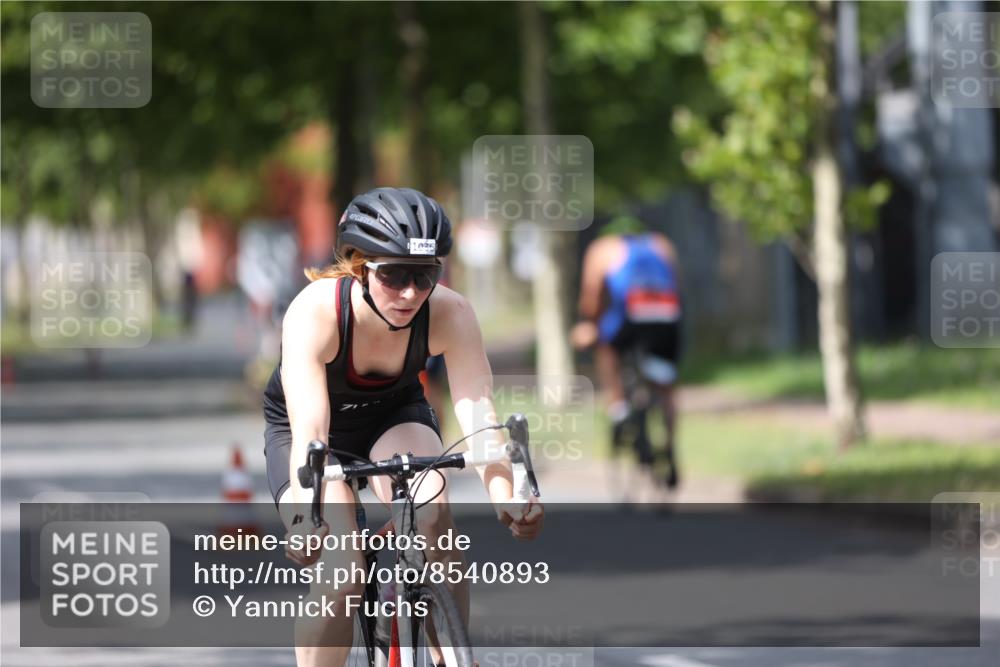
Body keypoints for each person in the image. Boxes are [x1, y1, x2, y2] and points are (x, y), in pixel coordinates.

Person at [262, 187, 544, 667]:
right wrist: (304, 518)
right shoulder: (316, 313)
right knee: (342, 571)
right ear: (358, 265)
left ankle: (452, 657)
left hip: (394, 414)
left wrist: (507, 495)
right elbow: (312, 429)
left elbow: (480, 417)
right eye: (393, 276)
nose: (411, 293)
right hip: (312, 434)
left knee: (433, 515)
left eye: (424, 275)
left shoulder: (450, 312)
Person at [571, 216, 683, 492]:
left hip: (630, 318)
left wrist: (589, 324)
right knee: (666, 385)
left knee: (605, 343)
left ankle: (619, 405)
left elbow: (592, 299)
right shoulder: (661, 244)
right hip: (666, 316)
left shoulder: (601, 249)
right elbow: (676, 284)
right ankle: (669, 448)